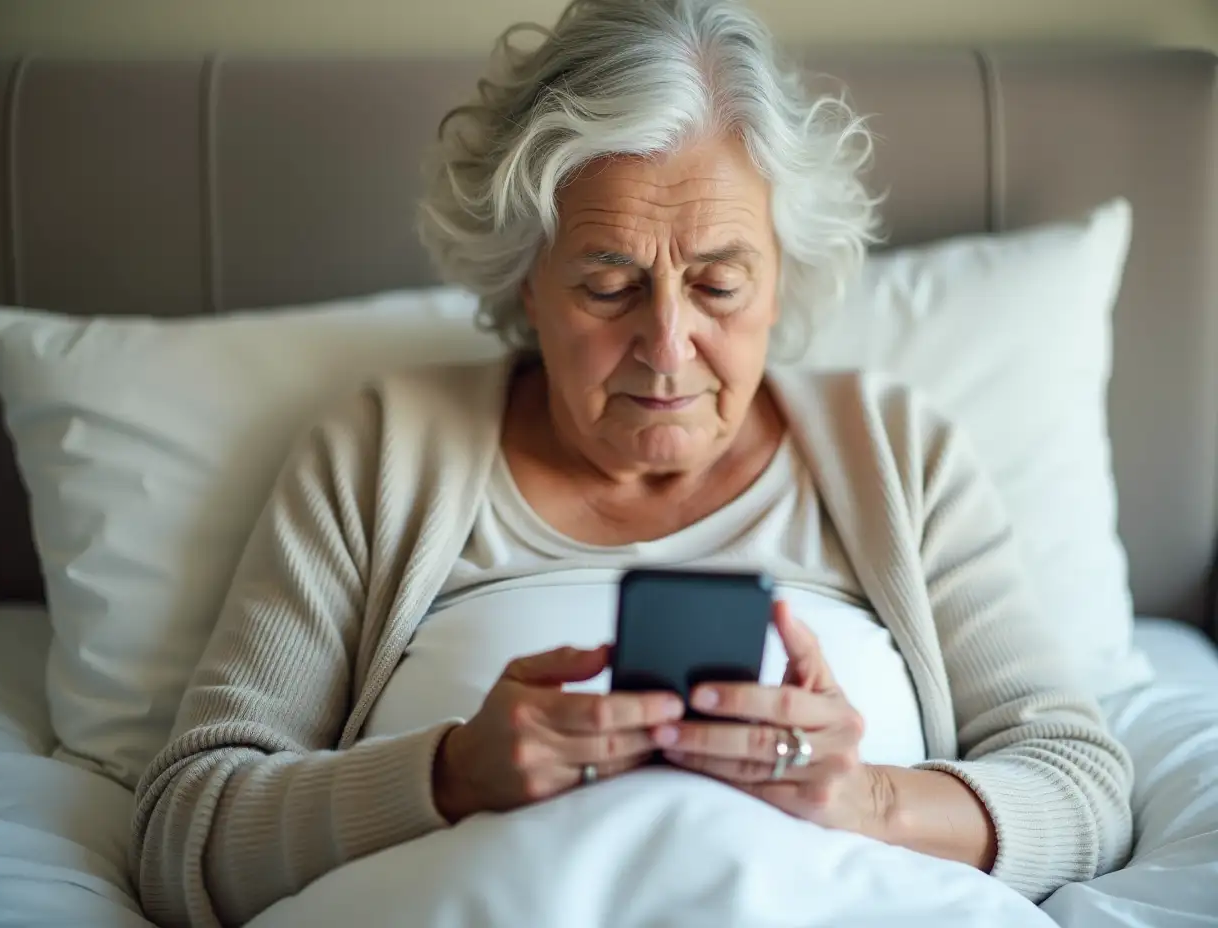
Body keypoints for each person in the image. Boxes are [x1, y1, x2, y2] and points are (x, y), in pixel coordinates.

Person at [130, 1, 1134, 925]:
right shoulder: (382, 452)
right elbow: (186, 831)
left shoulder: (896, 454)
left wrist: (871, 797)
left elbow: (1082, 784)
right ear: (525, 279)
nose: (666, 344)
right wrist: (445, 776)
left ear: (781, 277)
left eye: (719, 284)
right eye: (608, 285)